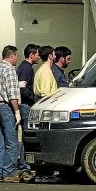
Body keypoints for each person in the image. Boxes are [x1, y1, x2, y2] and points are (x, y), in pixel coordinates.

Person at [0, 45, 21, 183]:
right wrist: (17, 111)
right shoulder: (10, 70)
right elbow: (13, 94)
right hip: (7, 107)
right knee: (11, 142)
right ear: (12, 56)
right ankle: (8, 172)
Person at [33, 45, 62, 183]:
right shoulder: (45, 72)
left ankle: (44, 173)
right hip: (46, 112)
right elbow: (45, 94)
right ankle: (43, 174)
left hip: (44, 111)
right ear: (50, 56)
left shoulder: (45, 70)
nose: (55, 56)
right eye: (54, 54)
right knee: (46, 144)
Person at [16, 43, 41, 181]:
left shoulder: (25, 67)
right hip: (26, 105)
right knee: (27, 136)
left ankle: (24, 165)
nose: (38, 56)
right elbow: (22, 87)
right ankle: (24, 166)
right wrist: (33, 97)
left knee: (26, 136)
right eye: (37, 54)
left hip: (24, 105)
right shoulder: (26, 68)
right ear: (31, 55)